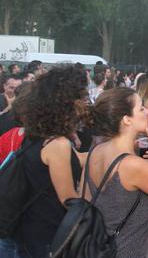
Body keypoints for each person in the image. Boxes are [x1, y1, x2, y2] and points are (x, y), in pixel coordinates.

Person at [84, 87, 148, 258]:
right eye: (141, 108)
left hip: (98, 248)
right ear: (127, 120)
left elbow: (88, 199)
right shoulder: (132, 165)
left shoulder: (96, 151)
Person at [12, 66, 87, 258]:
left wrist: (113, 152)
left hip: (32, 230)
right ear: (67, 103)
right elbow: (69, 200)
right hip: (48, 236)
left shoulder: (38, 135)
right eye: (81, 97)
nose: (84, 103)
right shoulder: (57, 144)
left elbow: (76, 159)